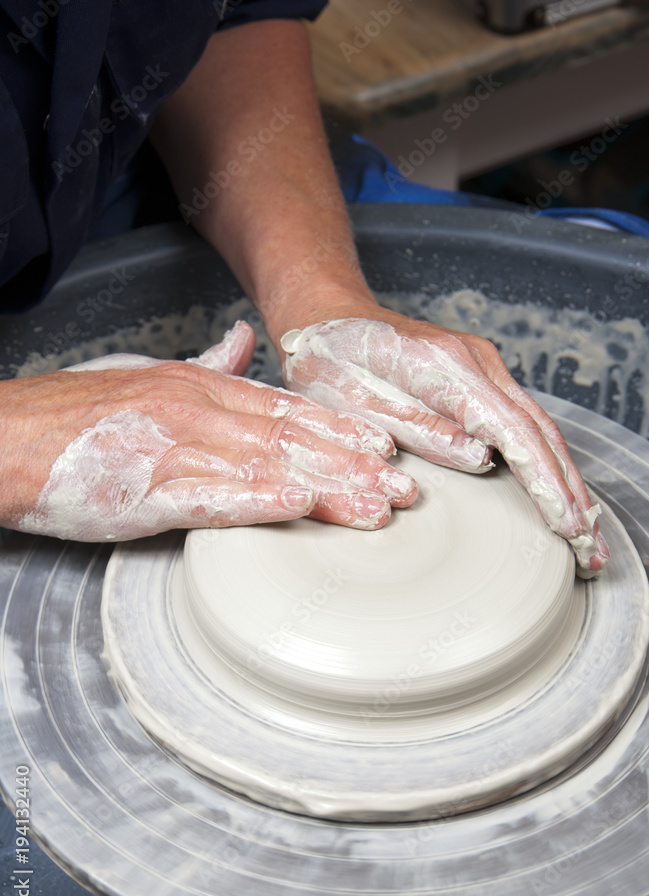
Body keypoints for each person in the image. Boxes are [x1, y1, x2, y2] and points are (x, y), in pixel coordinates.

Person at [0, 0, 608, 575]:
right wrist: (18, 433)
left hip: (113, 153)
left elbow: (224, 20)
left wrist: (319, 303)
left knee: (603, 239)